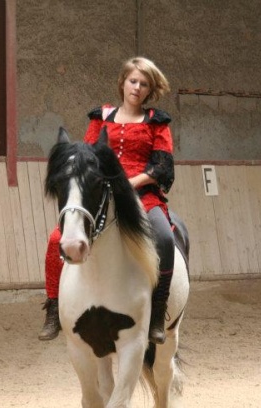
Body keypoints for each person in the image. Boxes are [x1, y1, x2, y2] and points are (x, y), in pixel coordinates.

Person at [39, 56, 176, 344]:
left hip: (142, 196)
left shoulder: (157, 123)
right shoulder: (99, 118)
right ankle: (53, 307)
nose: (137, 88)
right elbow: (89, 158)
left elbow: (163, 166)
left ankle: (157, 311)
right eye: (133, 81)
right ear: (123, 83)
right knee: (56, 239)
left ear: (150, 90)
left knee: (163, 236)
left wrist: (129, 183)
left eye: (144, 84)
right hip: (101, 195)